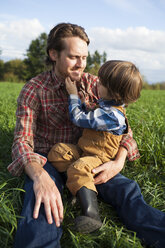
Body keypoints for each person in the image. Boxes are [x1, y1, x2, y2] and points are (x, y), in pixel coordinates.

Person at [7, 23, 165, 248]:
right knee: (42, 205)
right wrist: (39, 176)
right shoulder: (34, 89)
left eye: (84, 57)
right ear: (54, 54)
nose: (81, 64)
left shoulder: (95, 84)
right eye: (73, 57)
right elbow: (22, 141)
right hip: (49, 159)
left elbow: (123, 130)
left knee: (127, 191)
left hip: (91, 157)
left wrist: (117, 163)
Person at [48, 60, 143, 234]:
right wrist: (86, 104)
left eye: (102, 82)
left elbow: (79, 118)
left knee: (79, 167)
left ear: (114, 92)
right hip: (85, 150)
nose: (97, 82)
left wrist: (73, 96)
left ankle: (91, 215)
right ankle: (78, 190)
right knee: (59, 152)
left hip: (100, 157)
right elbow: (92, 113)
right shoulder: (107, 106)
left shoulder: (112, 116)